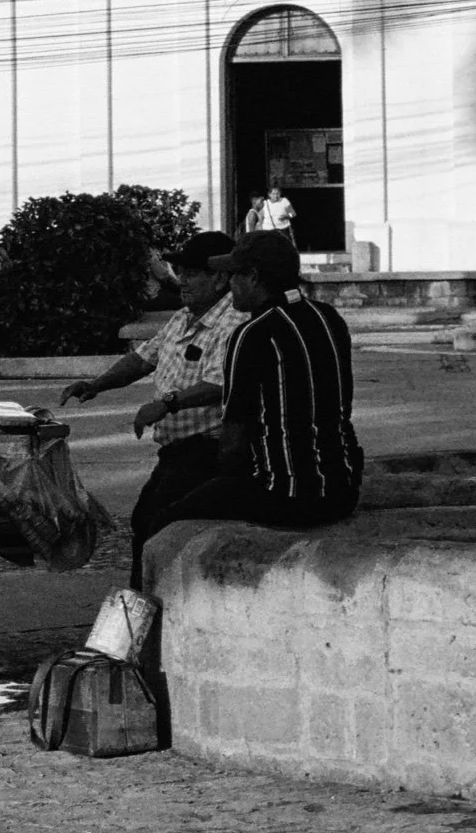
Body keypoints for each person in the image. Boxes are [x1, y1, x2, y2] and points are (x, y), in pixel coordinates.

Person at [134, 230, 363, 568]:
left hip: (286, 492)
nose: (230, 285)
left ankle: (147, 600)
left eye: (235, 276)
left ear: (253, 277)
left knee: (158, 523)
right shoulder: (327, 317)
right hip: (342, 487)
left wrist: (221, 480)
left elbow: (233, 439)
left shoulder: (252, 333)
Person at [60, 232, 247, 591]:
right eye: (181, 272)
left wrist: (166, 404)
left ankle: (154, 604)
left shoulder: (233, 322)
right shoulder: (183, 317)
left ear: (220, 278)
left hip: (210, 449)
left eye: (192, 273)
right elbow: (143, 358)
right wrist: (97, 384)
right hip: (177, 451)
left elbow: (221, 384)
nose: (182, 281)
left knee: (159, 524)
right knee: (146, 521)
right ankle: (146, 602)